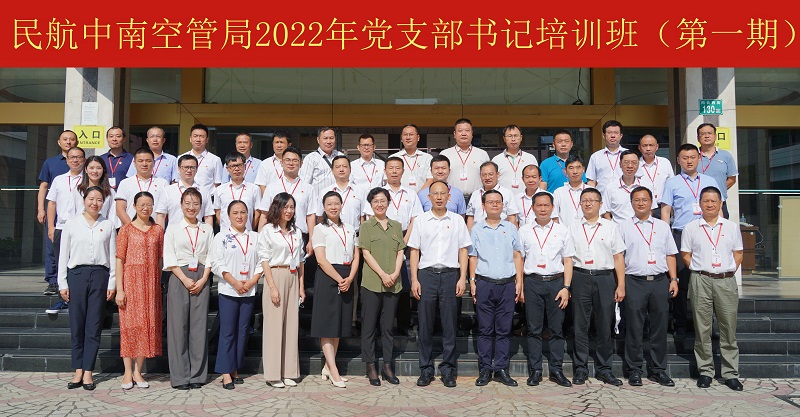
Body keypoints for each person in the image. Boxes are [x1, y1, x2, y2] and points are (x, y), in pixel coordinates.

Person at [408, 181, 472, 388]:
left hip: (450, 275)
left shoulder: (457, 220)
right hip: (426, 275)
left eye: (442, 193)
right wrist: (415, 279)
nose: (438, 197)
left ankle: (448, 370)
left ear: (448, 197)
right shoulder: (421, 220)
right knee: (425, 324)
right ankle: (425, 369)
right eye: (434, 193)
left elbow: (463, 250)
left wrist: (462, 278)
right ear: (428, 197)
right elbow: (414, 250)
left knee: (449, 325)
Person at [680, 186, 744, 391]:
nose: (709, 204)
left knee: (728, 328)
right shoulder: (691, 228)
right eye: (705, 201)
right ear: (700, 204)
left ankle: (730, 373)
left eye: (713, 201)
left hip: (725, 281)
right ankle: (705, 371)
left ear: (720, 204)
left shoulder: (731, 227)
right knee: (702, 328)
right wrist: (701, 270)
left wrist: (726, 271)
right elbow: (686, 255)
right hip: (701, 280)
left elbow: (738, 253)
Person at [57, 186, 116, 390]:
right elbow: (63, 256)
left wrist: (112, 283)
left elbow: (112, 256)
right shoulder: (71, 224)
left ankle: (89, 371)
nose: (95, 203)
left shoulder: (108, 225)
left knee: (94, 325)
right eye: (91, 199)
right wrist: (62, 283)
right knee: (77, 325)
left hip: (100, 276)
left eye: (99, 199)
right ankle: (78, 370)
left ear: (103, 202)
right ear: (84, 200)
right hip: (77, 276)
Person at [619, 187, 678, 387]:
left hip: (660, 281)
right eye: (637, 200)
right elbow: (619, 258)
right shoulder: (623, 227)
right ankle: (634, 369)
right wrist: (621, 284)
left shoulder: (662, 227)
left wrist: (673, 279)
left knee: (659, 328)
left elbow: (670, 254)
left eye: (645, 200)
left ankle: (658, 370)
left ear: (652, 202)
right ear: (631, 203)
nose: (641, 203)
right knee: (634, 327)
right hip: (634, 281)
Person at [661, 143, 721, 339]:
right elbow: (666, 211)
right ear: (678, 160)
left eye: (693, 157)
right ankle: (680, 323)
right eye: (685, 158)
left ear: (699, 159)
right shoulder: (672, 183)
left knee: (708, 279)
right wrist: (666, 237)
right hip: (681, 235)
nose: (689, 161)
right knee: (681, 280)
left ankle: (707, 324)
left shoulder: (710, 181)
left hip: (706, 234)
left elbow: (718, 209)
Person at [569, 188, 626, 386]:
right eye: (584, 200)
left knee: (604, 324)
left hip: (605, 278)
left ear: (601, 204)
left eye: (592, 200)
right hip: (580, 276)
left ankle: (604, 369)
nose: (588, 203)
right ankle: (581, 368)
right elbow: (567, 257)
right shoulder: (573, 227)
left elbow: (618, 257)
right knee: (580, 324)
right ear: (580, 203)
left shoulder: (611, 227)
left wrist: (621, 284)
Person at [519, 191, 574, 387]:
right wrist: (520, 285)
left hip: (556, 283)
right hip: (532, 282)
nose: (543, 209)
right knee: (534, 329)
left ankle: (556, 370)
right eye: (539, 205)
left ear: (552, 208)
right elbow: (520, 259)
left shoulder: (562, 230)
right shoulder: (524, 231)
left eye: (546, 205)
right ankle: (535, 370)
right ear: (532, 208)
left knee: (556, 329)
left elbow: (568, 260)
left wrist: (566, 287)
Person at [469, 190, 523, 387]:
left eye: (498, 202)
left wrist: (519, 281)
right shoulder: (476, 229)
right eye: (490, 202)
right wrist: (472, 281)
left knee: (504, 329)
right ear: (483, 206)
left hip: (507, 284)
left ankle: (501, 369)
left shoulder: (511, 228)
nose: (494, 205)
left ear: (502, 205)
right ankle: (485, 369)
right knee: (484, 329)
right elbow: (473, 257)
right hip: (485, 283)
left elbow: (517, 255)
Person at [163, 187, 214, 390]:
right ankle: (180, 376)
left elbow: (211, 255)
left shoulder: (207, 229)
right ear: (181, 205)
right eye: (187, 203)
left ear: (201, 206)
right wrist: (184, 279)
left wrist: (204, 279)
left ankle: (197, 375)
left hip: (201, 277)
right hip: (179, 277)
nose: (191, 207)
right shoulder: (173, 228)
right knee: (178, 327)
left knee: (199, 327)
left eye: (195, 204)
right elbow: (169, 256)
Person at [208, 200, 263, 390]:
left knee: (242, 331)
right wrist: (234, 282)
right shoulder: (221, 237)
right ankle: (225, 371)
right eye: (235, 213)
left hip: (249, 290)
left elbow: (262, 261)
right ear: (228, 216)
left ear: (248, 215)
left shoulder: (255, 237)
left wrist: (252, 281)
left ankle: (235, 368)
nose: (239, 216)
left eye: (243, 212)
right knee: (228, 332)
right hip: (229, 290)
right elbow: (217, 262)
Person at [115, 191, 164, 390]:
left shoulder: (158, 230)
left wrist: (157, 283)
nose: (145, 208)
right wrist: (120, 289)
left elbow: (159, 260)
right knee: (129, 327)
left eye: (149, 204)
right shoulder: (126, 230)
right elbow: (119, 260)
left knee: (145, 326)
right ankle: (127, 371)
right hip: (130, 283)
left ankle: (138, 370)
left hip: (150, 285)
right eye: (141, 204)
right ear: (134, 207)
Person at [310, 191, 360, 388]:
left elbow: (356, 255)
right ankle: (333, 370)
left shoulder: (350, 228)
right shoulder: (319, 229)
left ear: (341, 205)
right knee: (327, 324)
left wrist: (350, 278)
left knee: (339, 325)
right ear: (324, 207)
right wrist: (340, 279)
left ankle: (328, 366)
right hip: (329, 276)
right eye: (329, 204)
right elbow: (321, 260)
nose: (333, 207)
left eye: (336, 203)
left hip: (347, 276)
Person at [258, 192, 305, 389]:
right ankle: (273, 374)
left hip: (293, 276)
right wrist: (271, 286)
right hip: (275, 275)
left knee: (291, 326)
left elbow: (300, 260)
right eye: (285, 207)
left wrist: (301, 287)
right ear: (277, 208)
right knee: (274, 326)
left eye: (292, 207)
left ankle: (289, 372)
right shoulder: (268, 230)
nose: (289, 211)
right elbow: (264, 259)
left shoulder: (296, 231)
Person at [358, 188, 405, 386]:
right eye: (376, 201)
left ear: (388, 203)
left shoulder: (396, 226)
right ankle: (371, 366)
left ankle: (387, 366)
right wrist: (383, 275)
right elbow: (366, 253)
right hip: (372, 283)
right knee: (369, 327)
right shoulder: (366, 226)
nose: (379, 204)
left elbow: (400, 251)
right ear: (370, 204)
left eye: (383, 200)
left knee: (387, 328)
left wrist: (394, 273)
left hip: (393, 284)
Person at [44, 146, 86, 312]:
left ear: (84, 160)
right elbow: (52, 204)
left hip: (82, 228)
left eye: (79, 157)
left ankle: (79, 299)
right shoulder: (59, 180)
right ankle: (62, 299)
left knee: (78, 264)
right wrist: (51, 227)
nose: (75, 160)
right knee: (62, 263)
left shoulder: (88, 180)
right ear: (67, 160)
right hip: (61, 228)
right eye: (72, 157)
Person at [38, 130, 77, 296]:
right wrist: (41, 209)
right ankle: (53, 282)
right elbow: (43, 186)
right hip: (55, 213)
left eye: (71, 139)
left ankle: (71, 280)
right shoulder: (50, 162)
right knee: (52, 248)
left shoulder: (80, 162)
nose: (68, 142)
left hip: (75, 216)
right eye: (65, 139)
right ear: (59, 142)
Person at [155, 154, 215, 229]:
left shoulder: (204, 191)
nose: (189, 170)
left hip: (197, 233)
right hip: (174, 234)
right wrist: (161, 235)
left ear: (197, 169)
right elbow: (161, 215)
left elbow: (208, 216)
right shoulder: (168, 190)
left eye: (192, 167)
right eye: (186, 167)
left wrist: (208, 234)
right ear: (179, 169)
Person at [439, 118, 491, 199]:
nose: (464, 134)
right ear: (454, 134)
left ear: (472, 134)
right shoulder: (445, 154)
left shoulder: (482, 154)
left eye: (467, 130)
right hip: (451, 198)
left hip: (477, 197)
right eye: (460, 131)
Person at [116, 147, 169, 227]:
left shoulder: (163, 183)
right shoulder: (125, 183)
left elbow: (163, 211)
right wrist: (133, 228)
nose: (144, 164)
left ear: (154, 162)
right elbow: (120, 210)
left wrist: (157, 230)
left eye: (148, 161)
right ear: (134, 163)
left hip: (154, 229)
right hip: (131, 230)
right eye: (140, 161)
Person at [697, 123, 738, 218]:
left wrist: (716, 191)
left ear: (715, 136)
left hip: (719, 202)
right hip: (697, 202)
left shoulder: (725, 155)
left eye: (709, 133)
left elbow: (732, 179)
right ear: (698, 138)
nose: (706, 136)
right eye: (703, 134)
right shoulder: (693, 156)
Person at [214, 151, 262, 231]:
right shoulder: (220, 190)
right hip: (226, 234)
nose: (236, 169)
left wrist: (249, 229)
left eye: (240, 165)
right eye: (233, 166)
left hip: (247, 233)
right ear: (227, 169)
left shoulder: (254, 189)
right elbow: (218, 211)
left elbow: (257, 213)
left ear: (244, 166)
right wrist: (224, 229)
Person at [465, 161, 519, 230]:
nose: (487, 178)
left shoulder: (507, 193)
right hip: (478, 233)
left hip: (500, 232)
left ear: (497, 174)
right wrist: (469, 234)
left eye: (491, 174)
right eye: (484, 175)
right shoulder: (475, 194)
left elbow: (512, 218)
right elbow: (470, 218)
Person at [492, 124, 538, 194]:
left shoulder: (530, 158)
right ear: (504, 139)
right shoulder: (496, 160)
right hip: (503, 199)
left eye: (516, 136)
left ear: (521, 138)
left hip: (525, 198)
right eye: (509, 136)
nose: (513, 139)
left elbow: (537, 181)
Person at [636, 134, 674, 218]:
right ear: (639, 147)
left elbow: (671, 185)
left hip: (662, 207)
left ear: (657, 147)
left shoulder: (665, 163)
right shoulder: (635, 164)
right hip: (642, 208)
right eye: (644, 146)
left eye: (651, 145)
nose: (648, 149)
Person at [601, 150, 643, 224]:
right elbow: (605, 212)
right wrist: (612, 226)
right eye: (626, 162)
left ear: (638, 164)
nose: (630, 166)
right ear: (620, 164)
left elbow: (650, 209)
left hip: (640, 227)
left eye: (634, 163)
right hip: (617, 228)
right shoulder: (611, 187)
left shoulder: (645, 185)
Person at [389, 124, 433, 193]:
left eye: (411, 134)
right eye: (405, 134)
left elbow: (430, 179)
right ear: (401, 138)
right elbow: (389, 180)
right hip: (400, 197)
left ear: (418, 137)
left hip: (421, 197)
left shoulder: (427, 158)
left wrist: (418, 196)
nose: (408, 137)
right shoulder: (393, 158)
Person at [586, 120, 627, 193]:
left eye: (616, 133)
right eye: (609, 132)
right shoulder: (596, 156)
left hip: (625, 196)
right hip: (602, 197)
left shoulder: (629, 155)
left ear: (621, 136)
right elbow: (591, 181)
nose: (613, 136)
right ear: (604, 136)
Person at [179, 123, 224, 190]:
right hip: (185, 195)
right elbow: (177, 180)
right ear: (190, 139)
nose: (198, 139)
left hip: (206, 196)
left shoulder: (215, 160)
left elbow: (217, 184)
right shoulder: (181, 158)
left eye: (202, 136)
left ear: (207, 140)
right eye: (195, 136)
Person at [299, 127, 345, 192]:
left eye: (331, 138)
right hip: (318, 197)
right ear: (318, 140)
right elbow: (304, 183)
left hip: (339, 197)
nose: (328, 142)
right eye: (325, 138)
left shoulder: (341, 156)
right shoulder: (311, 158)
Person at [552, 155, 589, 227]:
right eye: (571, 168)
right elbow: (554, 217)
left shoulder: (591, 191)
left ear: (583, 169)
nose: (575, 172)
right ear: (565, 171)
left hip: (586, 232)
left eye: (578, 167)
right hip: (564, 232)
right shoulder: (558, 192)